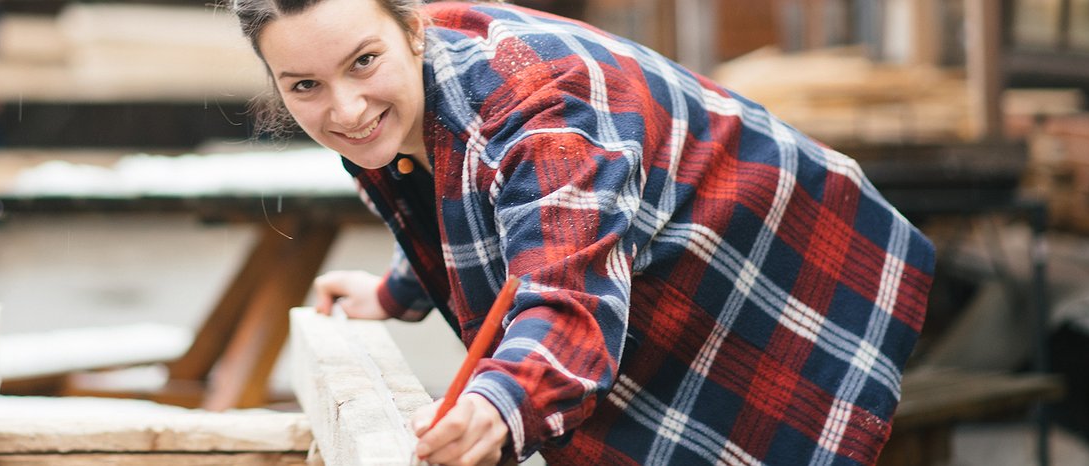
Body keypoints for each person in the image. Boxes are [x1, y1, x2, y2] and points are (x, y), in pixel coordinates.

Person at [227, 0, 935, 464]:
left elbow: (566, 290)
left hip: (795, 270)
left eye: (363, 63)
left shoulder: (544, 116)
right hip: (668, 263)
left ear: (413, 27)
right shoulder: (408, 93)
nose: (346, 109)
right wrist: (397, 290)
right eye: (304, 87)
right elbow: (472, 200)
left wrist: (500, 399)